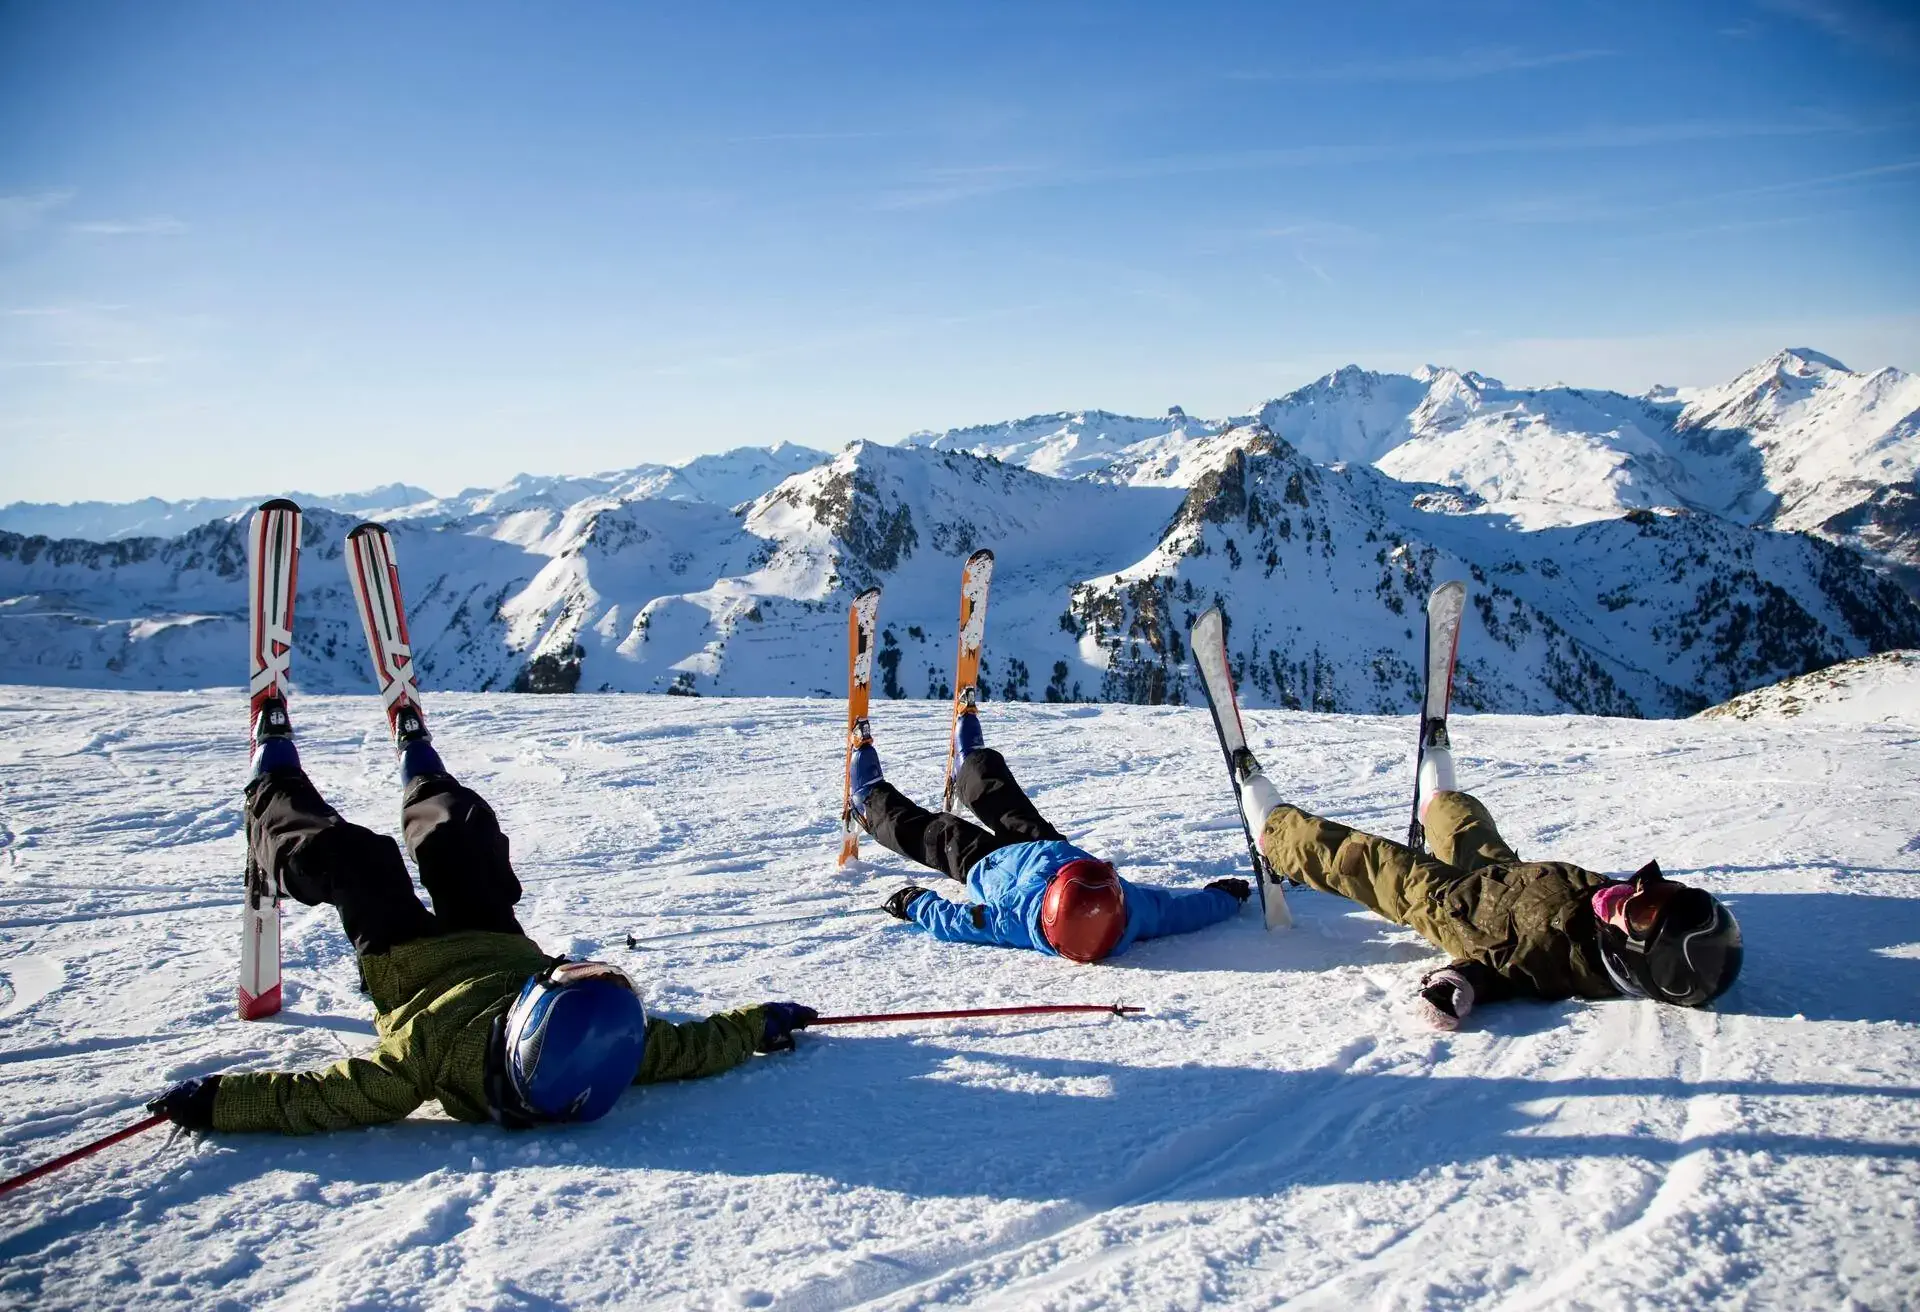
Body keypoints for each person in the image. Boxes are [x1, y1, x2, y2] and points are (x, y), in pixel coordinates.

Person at [148, 692, 816, 1134]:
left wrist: (213, 1103)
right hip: (494, 942)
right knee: (464, 834)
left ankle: (271, 795)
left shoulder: (426, 1058)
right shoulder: (609, 1050)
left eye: (559, 978)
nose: (565, 966)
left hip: (406, 963)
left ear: (527, 1025)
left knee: (356, 860)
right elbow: (698, 1047)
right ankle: (422, 768)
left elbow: (320, 1098)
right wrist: (763, 1020)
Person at [1232, 732, 1743, 1029]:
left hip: (1453, 909)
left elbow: (1499, 973)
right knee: (1466, 824)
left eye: (1644, 910)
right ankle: (1438, 796)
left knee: (1368, 862)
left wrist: (1457, 984)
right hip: (1509, 878)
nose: (1635, 891)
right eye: (1656, 889)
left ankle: (1275, 831)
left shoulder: (1560, 967)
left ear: (1637, 959)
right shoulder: (1607, 910)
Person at [851, 693, 1247, 962]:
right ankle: (971, 763)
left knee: (934, 833)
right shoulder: (1134, 911)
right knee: (998, 793)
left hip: (983, 864)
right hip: (1042, 844)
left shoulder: (1016, 920)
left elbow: (956, 922)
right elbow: (1184, 910)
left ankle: (870, 800)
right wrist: (1225, 897)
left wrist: (916, 904)